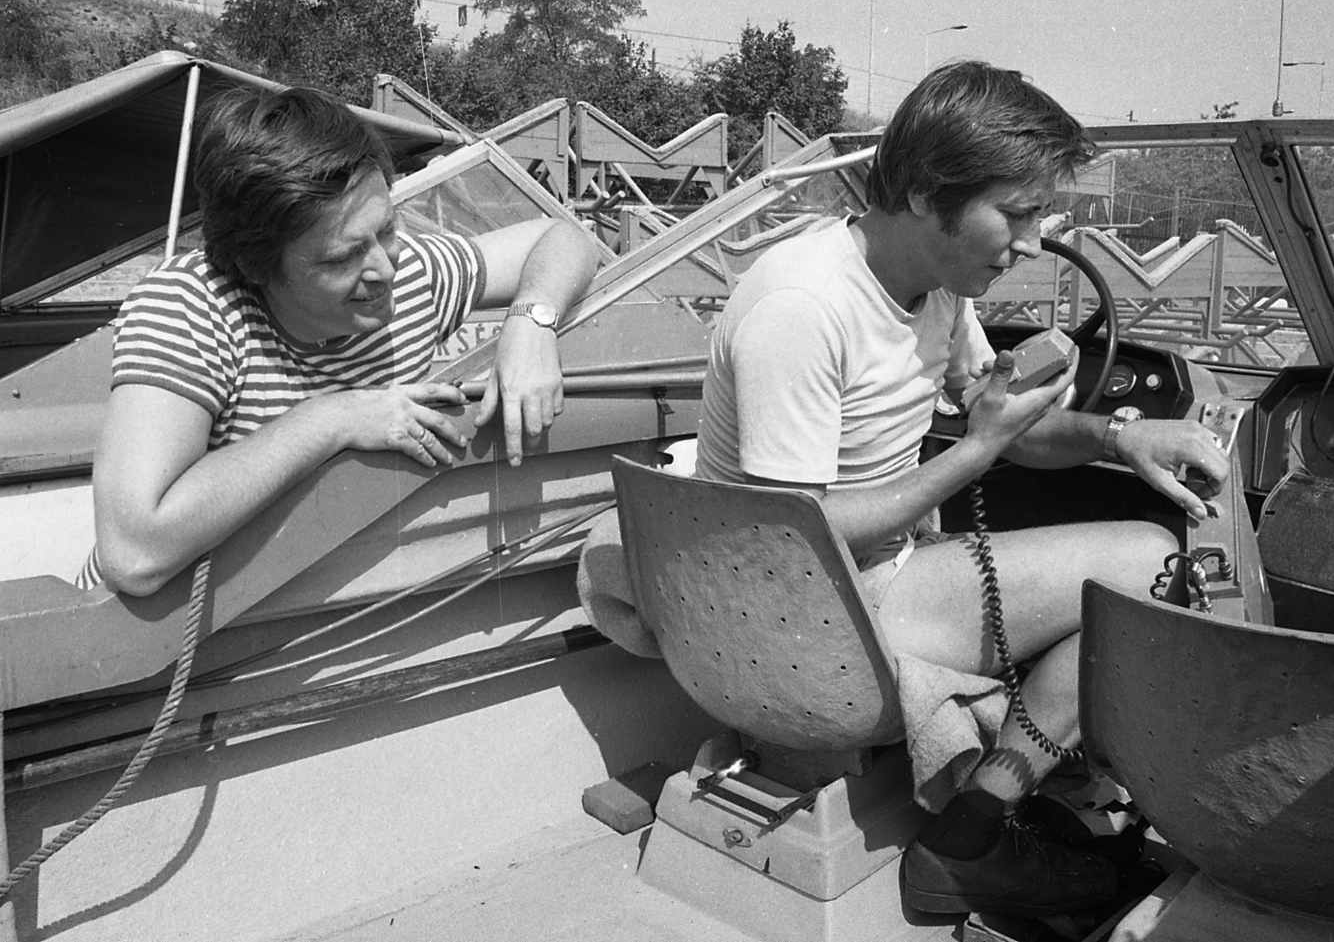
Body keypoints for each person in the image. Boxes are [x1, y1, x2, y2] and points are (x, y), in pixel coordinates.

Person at [694, 62, 1230, 918]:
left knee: (1142, 554)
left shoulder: (936, 286)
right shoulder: (803, 306)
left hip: (862, 580)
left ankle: (990, 814)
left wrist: (1121, 437)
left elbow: (1001, 418)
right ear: (920, 191)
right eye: (1015, 215)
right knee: (1151, 564)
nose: (1030, 243)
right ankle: (973, 836)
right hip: (801, 617)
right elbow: (795, 536)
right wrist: (974, 453)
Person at [84, 85, 600, 597]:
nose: (383, 269)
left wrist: (532, 322)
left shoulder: (410, 270)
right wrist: (335, 418)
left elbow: (561, 238)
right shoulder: (190, 306)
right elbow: (134, 553)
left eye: (388, 229)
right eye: (339, 260)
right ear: (253, 266)